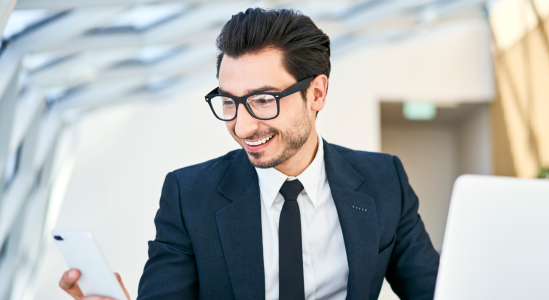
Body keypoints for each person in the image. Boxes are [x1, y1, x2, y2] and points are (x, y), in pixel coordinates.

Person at [59, 7, 439, 300]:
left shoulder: (383, 179)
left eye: (262, 100)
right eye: (229, 102)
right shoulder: (189, 195)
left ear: (317, 94)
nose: (242, 127)